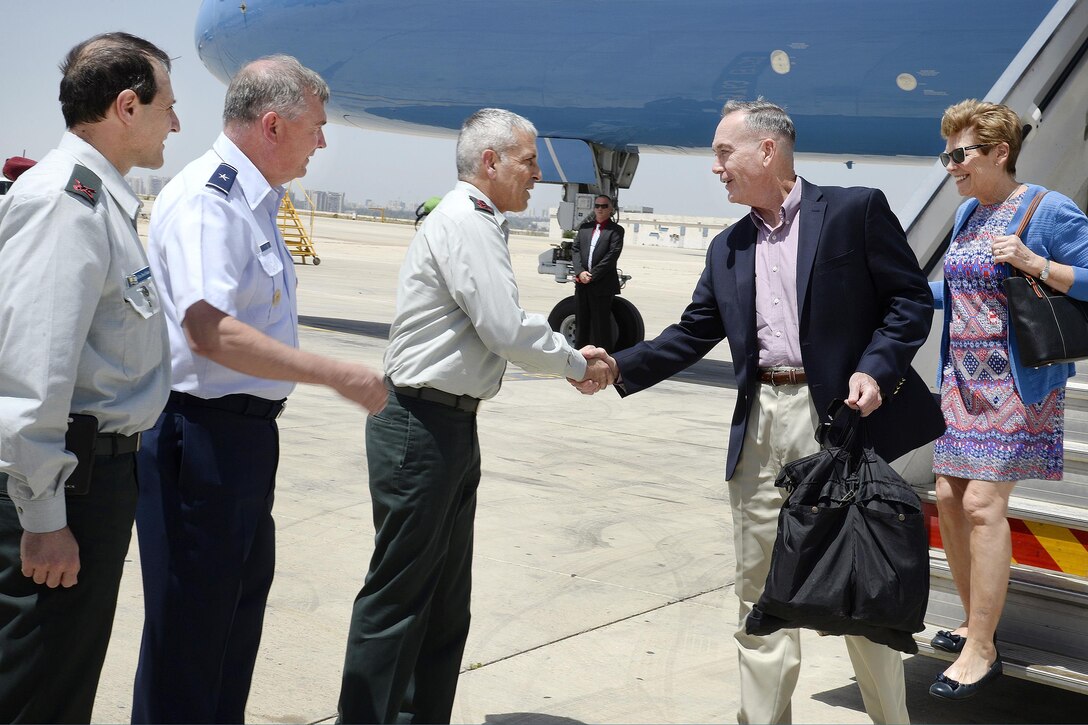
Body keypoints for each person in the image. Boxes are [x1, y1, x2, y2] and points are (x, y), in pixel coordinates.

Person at [581, 98, 944, 724]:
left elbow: (909, 302)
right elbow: (693, 332)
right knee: (759, 594)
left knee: (862, 593)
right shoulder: (727, 246)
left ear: (767, 150)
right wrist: (618, 365)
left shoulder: (854, 211)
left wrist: (876, 368)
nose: (715, 168)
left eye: (724, 153)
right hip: (760, 427)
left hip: (836, 421)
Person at [336, 107, 613, 724]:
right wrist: (576, 364)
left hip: (449, 425)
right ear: (490, 162)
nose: (538, 175)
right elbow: (505, 328)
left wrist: (568, 356)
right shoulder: (467, 220)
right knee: (400, 601)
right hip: (419, 426)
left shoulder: (477, 221)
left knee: (441, 605)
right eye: (528, 160)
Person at [132, 55, 387, 724]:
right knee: (188, 643)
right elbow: (209, 332)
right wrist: (335, 372)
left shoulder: (256, 201)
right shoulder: (208, 202)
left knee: (229, 633)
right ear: (273, 125)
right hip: (199, 440)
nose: (323, 142)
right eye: (317, 127)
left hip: (242, 441)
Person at [0, 32, 179, 723]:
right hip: (65, 492)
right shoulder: (66, 204)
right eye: (169, 104)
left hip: (92, 482)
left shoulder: (101, 202)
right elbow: (29, 373)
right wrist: (44, 517)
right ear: (127, 107)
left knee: (60, 688)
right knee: (36, 692)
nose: (177, 122)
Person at [926, 99, 1088, 700]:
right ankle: (972, 620)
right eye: (947, 155)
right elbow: (957, 292)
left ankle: (982, 648)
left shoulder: (1047, 209)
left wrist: (1034, 261)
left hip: (1017, 387)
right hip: (964, 384)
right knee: (947, 495)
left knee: (984, 506)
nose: (952, 166)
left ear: (999, 152)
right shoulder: (969, 212)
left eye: (960, 154)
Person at [572, 194, 625, 348]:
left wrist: (592, 275)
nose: (600, 209)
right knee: (581, 324)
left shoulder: (616, 230)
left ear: (611, 209)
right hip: (582, 284)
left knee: (601, 327)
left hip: (602, 286)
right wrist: (580, 272)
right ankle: (580, 359)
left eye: (604, 206)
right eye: (597, 206)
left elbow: (612, 255)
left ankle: (604, 361)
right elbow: (575, 250)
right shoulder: (584, 228)